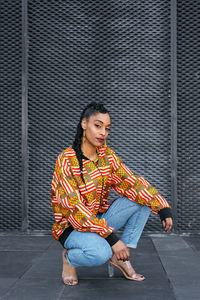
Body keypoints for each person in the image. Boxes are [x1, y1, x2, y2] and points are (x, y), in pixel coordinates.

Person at [50, 102, 173, 286]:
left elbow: (132, 182)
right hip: (72, 226)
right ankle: (70, 259)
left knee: (142, 201)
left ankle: (122, 257)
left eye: (107, 128)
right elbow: (75, 209)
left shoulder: (107, 157)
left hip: (99, 219)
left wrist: (162, 207)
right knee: (101, 253)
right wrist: (112, 239)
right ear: (84, 124)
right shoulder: (66, 160)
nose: (103, 133)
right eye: (97, 126)